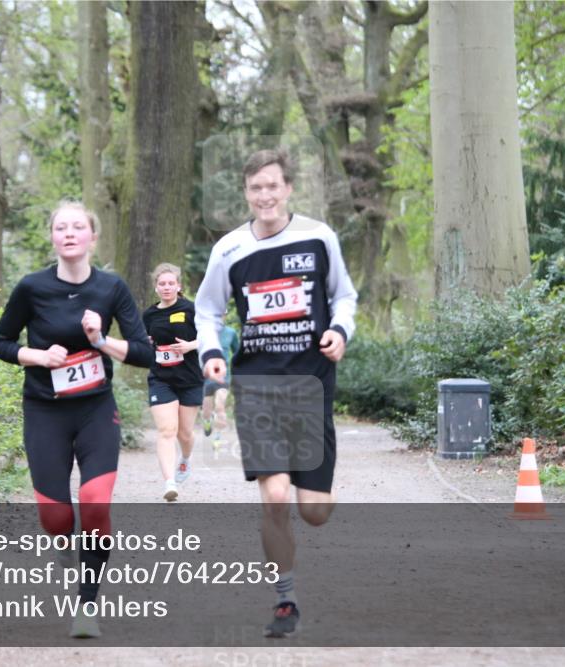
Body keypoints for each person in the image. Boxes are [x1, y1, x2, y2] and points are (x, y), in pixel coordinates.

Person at [195, 148, 357, 638]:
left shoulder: (318, 236)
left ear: (288, 189)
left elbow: (344, 294)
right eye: (255, 187)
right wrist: (210, 354)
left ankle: (319, 492)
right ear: (246, 193)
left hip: (310, 384)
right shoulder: (228, 250)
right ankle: (285, 599)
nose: (264, 195)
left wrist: (340, 331)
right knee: (274, 498)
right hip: (258, 385)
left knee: (315, 511)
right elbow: (207, 311)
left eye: (272, 185)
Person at [0, 200, 153, 639]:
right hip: (45, 410)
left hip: (96, 409)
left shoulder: (111, 288)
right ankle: (65, 547)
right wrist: (38, 356)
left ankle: (86, 604)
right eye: (61, 227)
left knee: (96, 503)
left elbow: (145, 352)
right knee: (56, 519)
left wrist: (102, 340)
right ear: (52, 237)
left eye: (78, 227)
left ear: (93, 237)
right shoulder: (32, 287)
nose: (70, 233)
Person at [141, 263, 203, 501]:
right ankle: (169, 482)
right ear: (156, 288)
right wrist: (145, 343)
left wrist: (191, 345)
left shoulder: (191, 309)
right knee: (167, 430)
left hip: (189, 378)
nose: (166, 287)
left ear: (179, 286)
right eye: (162, 284)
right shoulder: (149, 314)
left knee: (184, 433)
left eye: (170, 283)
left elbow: (211, 334)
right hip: (161, 378)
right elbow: (146, 343)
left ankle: (185, 460)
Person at [200, 316, 240, 449]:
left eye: (222, 314)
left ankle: (217, 437)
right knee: (206, 410)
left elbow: (238, 353)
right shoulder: (203, 332)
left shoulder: (230, 332)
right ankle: (207, 421)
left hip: (224, 377)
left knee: (220, 406)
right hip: (206, 377)